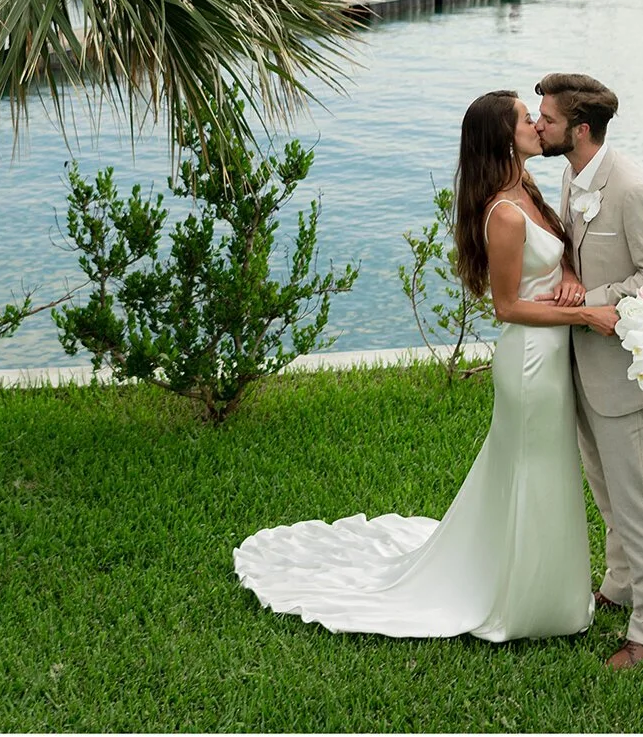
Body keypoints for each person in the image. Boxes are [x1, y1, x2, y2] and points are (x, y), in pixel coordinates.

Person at [232, 90, 606, 641]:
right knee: (532, 472)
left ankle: (551, 591)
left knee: (547, 473)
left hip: (548, 357)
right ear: (505, 138)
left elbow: (553, 257)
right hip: (529, 361)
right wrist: (587, 316)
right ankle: (524, 605)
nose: (535, 122)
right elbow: (505, 307)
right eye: (525, 118)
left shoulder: (525, 188)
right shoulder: (502, 213)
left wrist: (571, 279)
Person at [534, 71, 643, 669]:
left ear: (581, 129)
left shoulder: (635, 191)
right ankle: (620, 584)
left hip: (625, 375)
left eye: (546, 119)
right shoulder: (574, 178)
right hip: (582, 368)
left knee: (641, 503)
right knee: (607, 494)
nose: (537, 126)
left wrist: (593, 301)